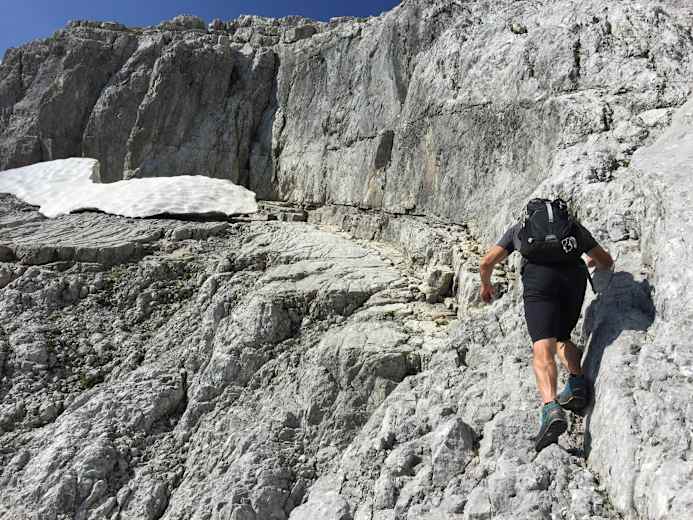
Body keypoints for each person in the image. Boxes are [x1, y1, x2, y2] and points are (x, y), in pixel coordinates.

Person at [479, 199, 614, 452]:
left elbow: (486, 262)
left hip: (540, 281)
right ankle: (576, 384)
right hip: (573, 280)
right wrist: (593, 262)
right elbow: (605, 260)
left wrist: (486, 285)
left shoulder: (520, 229)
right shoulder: (572, 228)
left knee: (543, 347)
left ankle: (551, 408)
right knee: (562, 336)